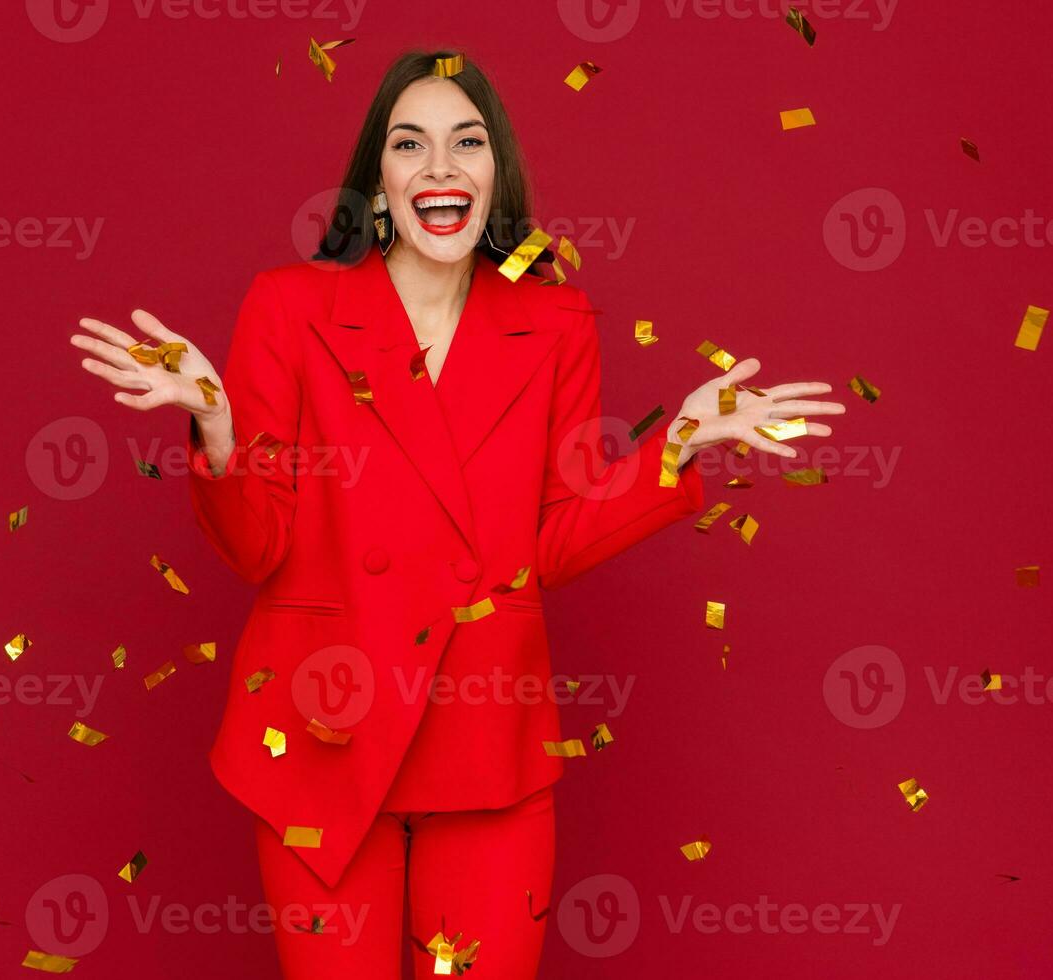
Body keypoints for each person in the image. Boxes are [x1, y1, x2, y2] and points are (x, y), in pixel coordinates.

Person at [71, 49, 843, 979]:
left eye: (466, 142)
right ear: (380, 188)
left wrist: (674, 443)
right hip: (324, 739)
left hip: (488, 751)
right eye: (411, 145)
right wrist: (217, 425)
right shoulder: (289, 308)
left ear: (494, 175)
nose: (440, 166)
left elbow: (552, 541)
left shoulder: (555, 322)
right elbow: (258, 543)